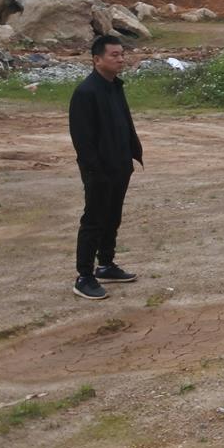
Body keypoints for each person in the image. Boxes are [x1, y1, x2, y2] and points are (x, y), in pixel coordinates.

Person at [68, 34, 144, 300]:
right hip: (99, 171)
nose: (121, 59)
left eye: (122, 54)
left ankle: (106, 265)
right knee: (93, 221)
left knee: (112, 217)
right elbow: (82, 139)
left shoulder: (115, 86)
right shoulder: (86, 92)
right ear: (97, 59)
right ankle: (84, 277)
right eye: (114, 55)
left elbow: (125, 124)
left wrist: (131, 156)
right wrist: (94, 171)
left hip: (120, 166)